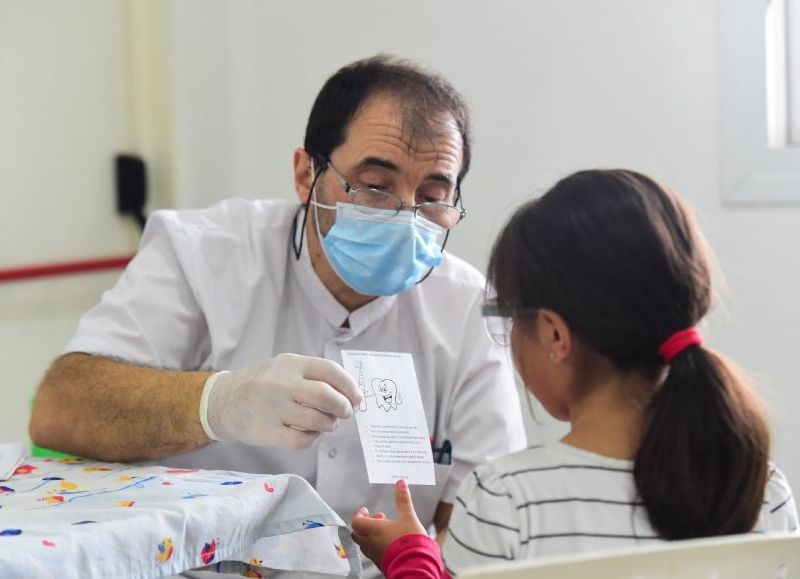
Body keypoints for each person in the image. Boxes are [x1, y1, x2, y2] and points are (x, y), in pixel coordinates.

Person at [29, 55, 527, 575]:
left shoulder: (467, 310)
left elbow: (486, 522)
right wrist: (218, 403)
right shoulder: (203, 255)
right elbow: (63, 407)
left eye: (431, 198)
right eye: (375, 186)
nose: (405, 217)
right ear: (305, 173)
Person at [350, 169, 799, 577]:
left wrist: (410, 557)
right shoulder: (760, 488)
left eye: (508, 318)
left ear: (553, 335)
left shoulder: (506, 498)